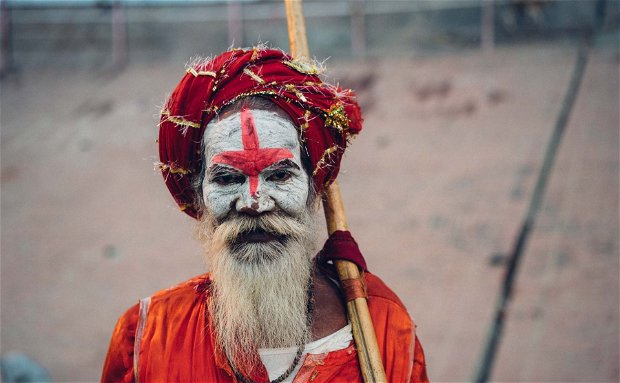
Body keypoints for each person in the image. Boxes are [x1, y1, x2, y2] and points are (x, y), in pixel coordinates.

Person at [101, 46, 429, 383]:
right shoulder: (147, 339)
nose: (254, 202)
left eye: (280, 175)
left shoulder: (384, 328)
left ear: (313, 187)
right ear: (198, 194)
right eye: (227, 178)